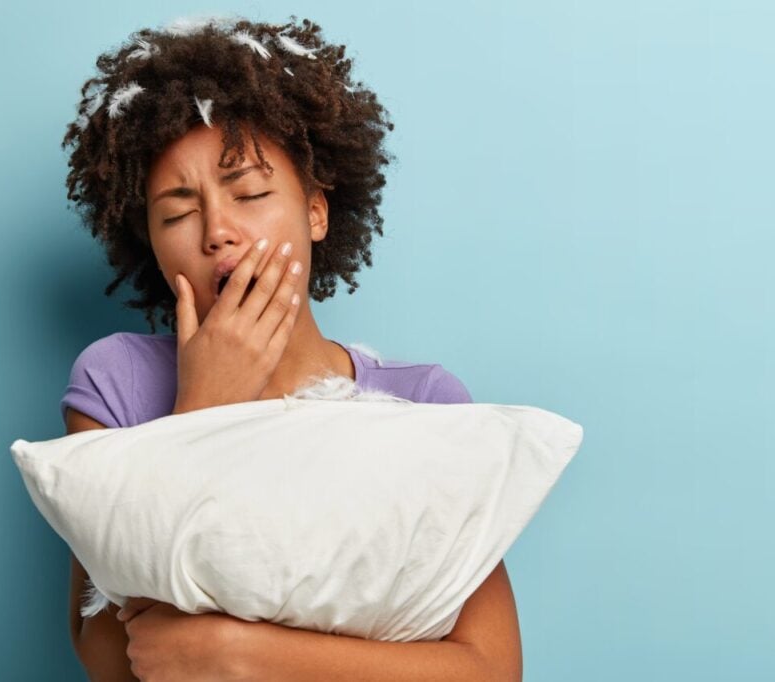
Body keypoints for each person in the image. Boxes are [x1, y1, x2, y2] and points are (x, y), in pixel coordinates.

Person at [58, 14, 522, 681]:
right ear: (150, 245)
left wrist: (237, 655)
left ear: (316, 211)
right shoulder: (116, 385)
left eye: (248, 192)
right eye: (178, 212)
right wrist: (203, 412)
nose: (218, 231)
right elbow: (113, 659)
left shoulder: (423, 403)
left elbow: (489, 669)